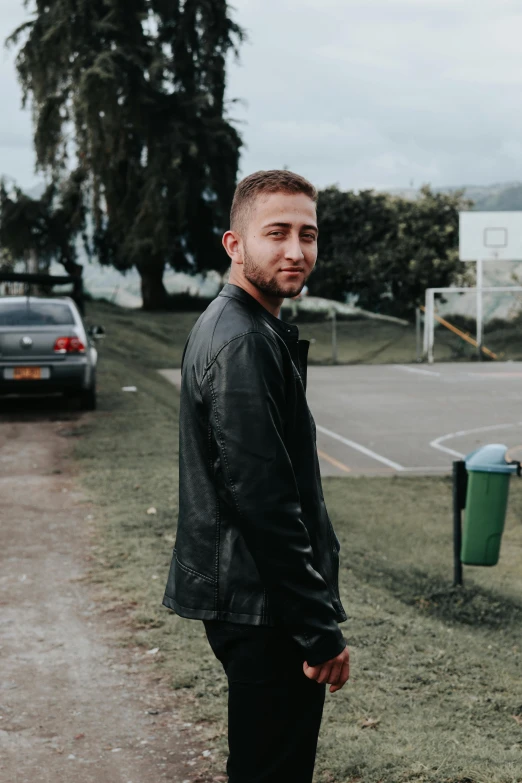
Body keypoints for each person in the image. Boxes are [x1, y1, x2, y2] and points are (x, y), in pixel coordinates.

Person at [162, 170, 349, 783]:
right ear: (234, 245)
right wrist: (318, 631)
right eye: (277, 233)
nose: (297, 251)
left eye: (308, 234)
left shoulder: (249, 326)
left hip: (255, 598)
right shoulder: (242, 340)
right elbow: (264, 504)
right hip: (263, 606)